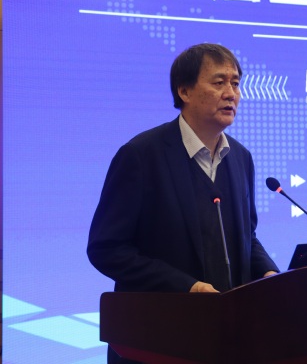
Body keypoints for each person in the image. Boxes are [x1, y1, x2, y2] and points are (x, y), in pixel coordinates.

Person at [87, 43, 279, 364]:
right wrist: (187, 287)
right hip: (157, 340)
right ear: (184, 91)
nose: (231, 93)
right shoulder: (141, 156)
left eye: (235, 83)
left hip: (227, 337)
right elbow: (107, 249)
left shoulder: (241, 158)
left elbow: (247, 236)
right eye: (219, 82)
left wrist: (269, 273)